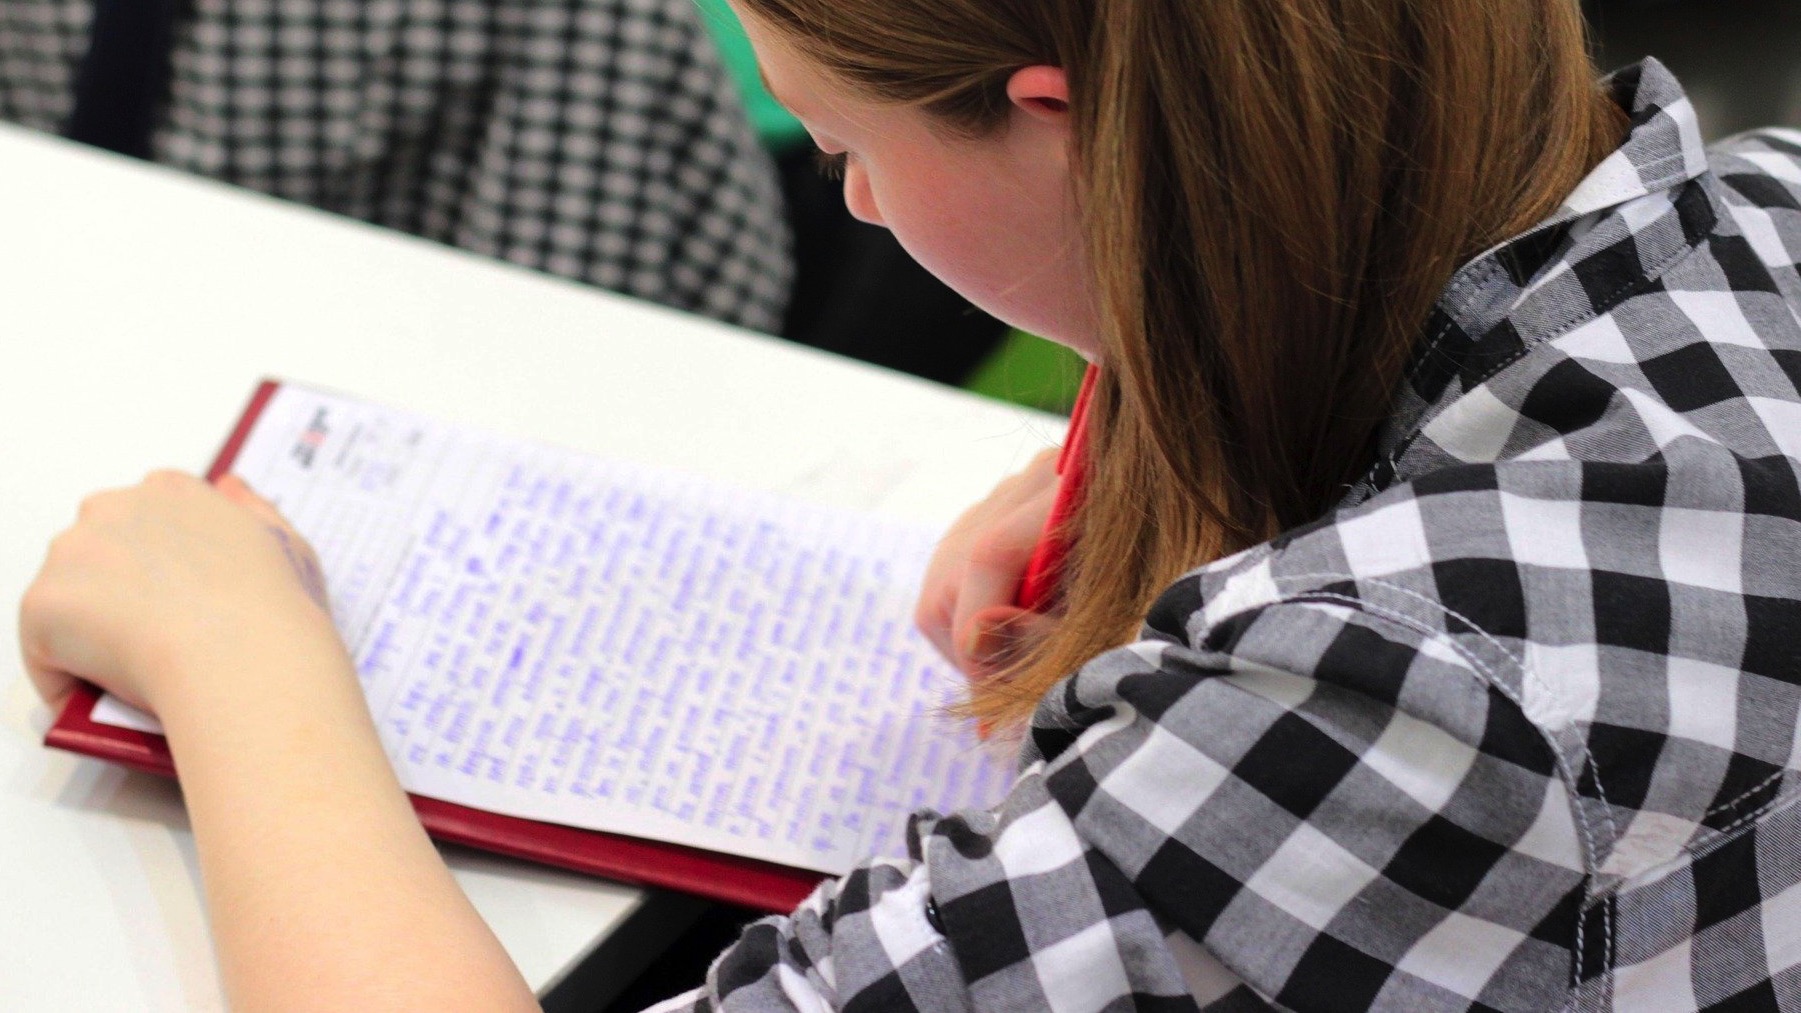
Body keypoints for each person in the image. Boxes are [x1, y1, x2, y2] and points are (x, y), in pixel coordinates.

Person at [20, 0, 1801, 1010]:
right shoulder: (1755, 222)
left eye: (851, 146)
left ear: (1063, 122)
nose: (853, 208)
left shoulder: (1378, 701)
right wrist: (1151, 452)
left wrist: (245, 659)